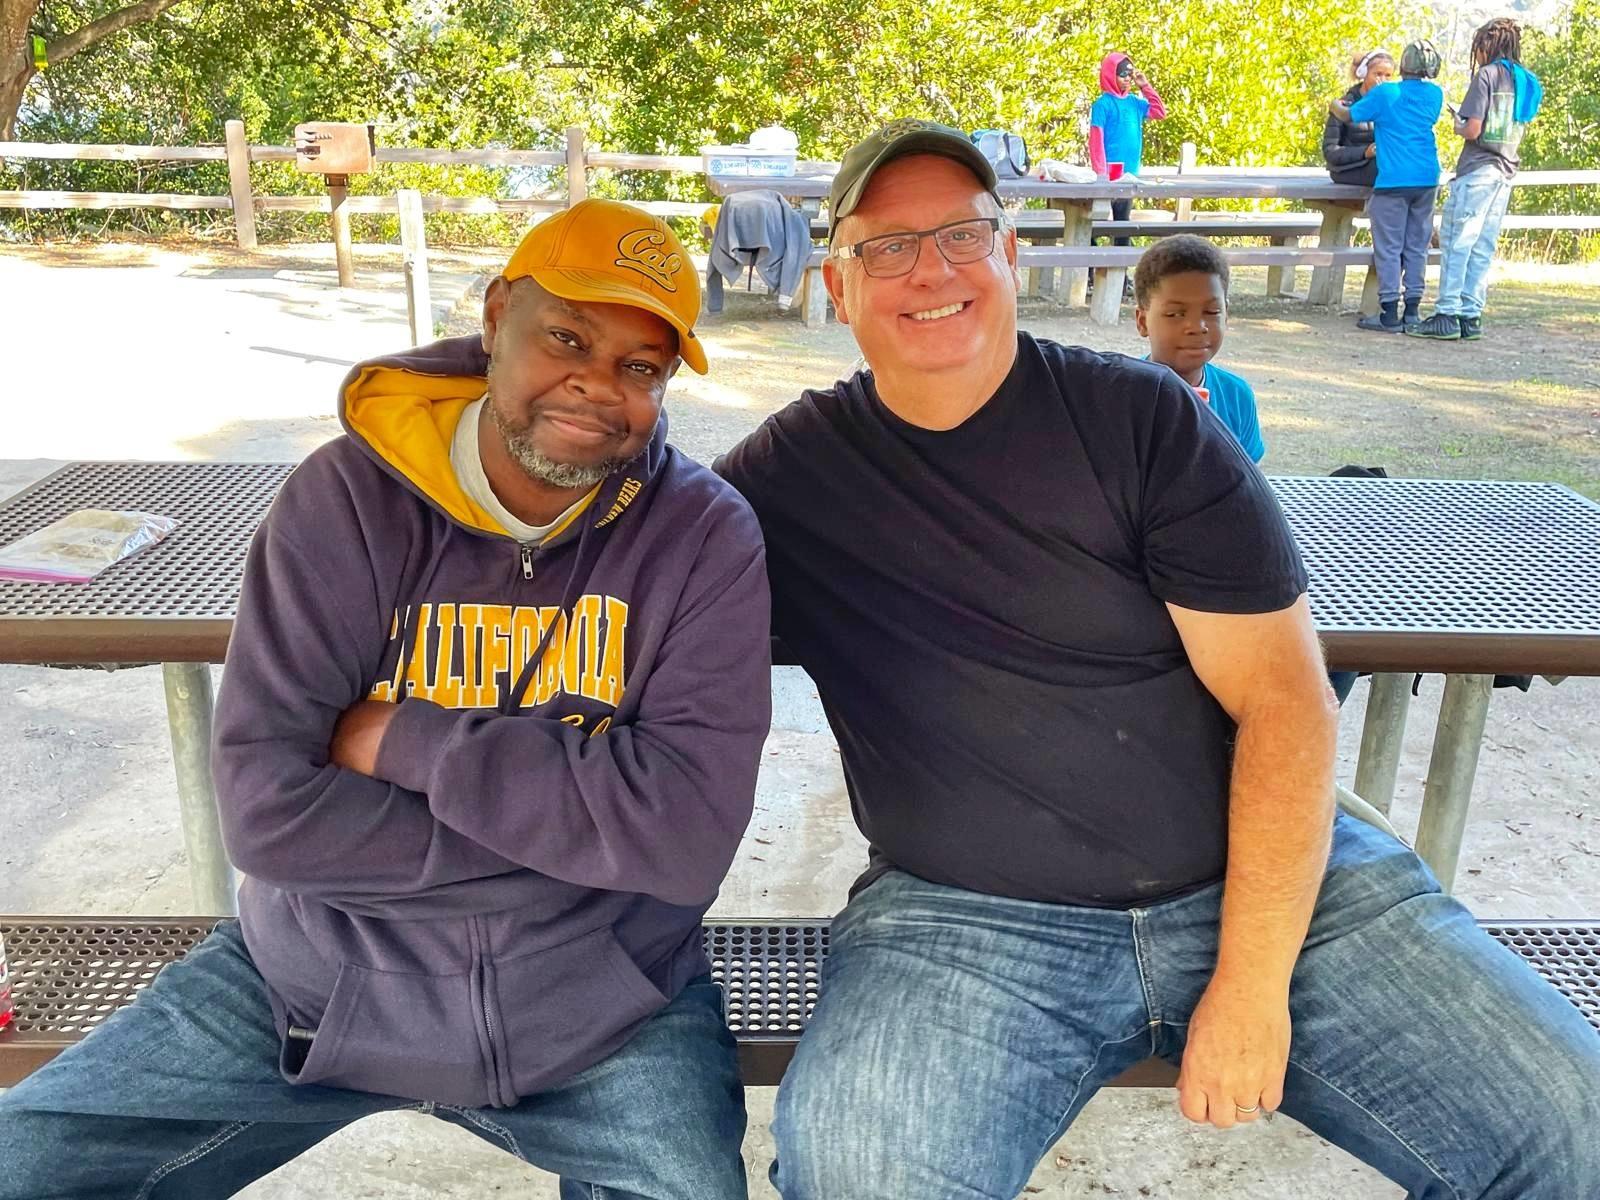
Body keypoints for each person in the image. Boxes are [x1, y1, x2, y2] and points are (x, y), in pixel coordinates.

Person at [716, 118, 1600, 1199]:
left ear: (1010, 254)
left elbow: (1285, 701)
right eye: (886, 247)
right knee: (860, 1171)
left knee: (1572, 1125)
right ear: (838, 285)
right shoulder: (789, 475)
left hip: (1270, 887)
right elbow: (629, 572)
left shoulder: (1143, 421)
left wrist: (1252, 983)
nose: (931, 270)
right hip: (964, 919)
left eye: (962, 235)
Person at [0, 198, 771, 1200]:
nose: (597, 385)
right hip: (316, 982)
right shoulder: (345, 501)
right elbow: (269, 815)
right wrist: (578, 839)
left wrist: (408, 742)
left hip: (597, 1009)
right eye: (567, 338)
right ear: (495, 317)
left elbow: (683, 840)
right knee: (24, 1166)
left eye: (641, 367)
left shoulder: (702, 535)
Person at [1410, 18, 1542, 341]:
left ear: (1487, 45)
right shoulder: (1524, 79)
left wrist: (1458, 123)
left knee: (1458, 240)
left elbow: (1473, 129)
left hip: (1479, 168)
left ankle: (1446, 312)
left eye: (1479, 47)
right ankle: (1471, 314)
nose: (1478, 54)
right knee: (1483, 245)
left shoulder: (1487, 75)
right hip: (1505, 170)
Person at [1331, 39, 1444, 333]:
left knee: (1389, 247)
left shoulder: (1386, 93)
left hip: (1394, 178)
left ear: (1403, 66)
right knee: (1417, 246)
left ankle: (1390, 312)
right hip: (1427, 177)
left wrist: (1334, 105)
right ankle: (1413, 311)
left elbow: (1348, 115)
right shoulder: (1435, 94)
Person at [1133, 233, 1265, 462]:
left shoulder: (1236, 396)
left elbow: (1247, 478)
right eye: (1175, 314)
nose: (1197, 327)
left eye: (1212, 312)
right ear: (1143, 322)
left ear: (1226, 316)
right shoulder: (1125, 396)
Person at [1089, 52, 1167, 245]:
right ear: (1110, 75)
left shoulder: (1134, 103)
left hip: (1129, 173)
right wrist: (1101, 172)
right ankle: (1090, 261)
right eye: (1122, 75)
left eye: (1129, 75)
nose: (1127, 79)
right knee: (1094, 222)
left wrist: (1145, 86)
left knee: (1122, 223)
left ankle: (1121, 264)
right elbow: (1096, 140)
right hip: (1109, 172)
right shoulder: (1103, 105)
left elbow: (1159, 112)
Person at [1322, 49, 1395, 187]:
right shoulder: (1343, 106)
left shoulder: (1391, 106)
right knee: (1386, 171)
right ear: (1364, 73)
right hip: (1347, 169)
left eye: (1388, 76)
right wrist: (1365, 152)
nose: (1383, 81)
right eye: (1378, 74)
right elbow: (1330, 151)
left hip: (1380, 164)